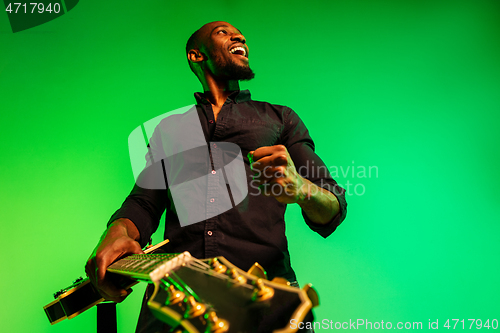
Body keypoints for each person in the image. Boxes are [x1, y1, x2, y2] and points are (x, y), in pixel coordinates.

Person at [85, 21, 347, 332]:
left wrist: (302, 189)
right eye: (223, 32)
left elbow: (333, 205)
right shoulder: (167, 130)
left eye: (241, 35)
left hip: (264, 302)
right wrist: (115, 234)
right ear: (196, 56)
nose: (239, 36)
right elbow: (144, 203)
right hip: (175, 302)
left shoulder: (281, 119)